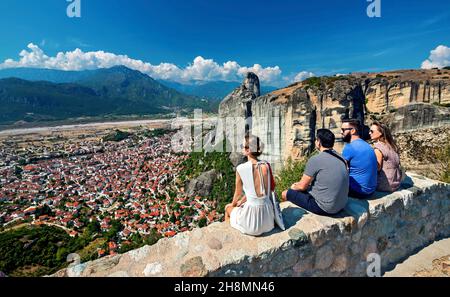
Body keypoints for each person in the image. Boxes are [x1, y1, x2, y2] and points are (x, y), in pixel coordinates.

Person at [281, 129, 349, 215]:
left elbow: (302, 186)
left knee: (286, 193)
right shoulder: (341, 157)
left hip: (325, 207)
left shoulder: (316, 159)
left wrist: (293, 187)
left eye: (316, 139)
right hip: (341, 204)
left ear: (319, 142)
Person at [225, 133, 275, 236]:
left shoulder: (241, 168)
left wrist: (233, 204)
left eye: (242, 146)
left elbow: (238, 193)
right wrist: (242, 202)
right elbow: (263, 190)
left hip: (252, 222)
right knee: (239, 207)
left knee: (227, 208)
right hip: (269, 219)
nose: (241, 148)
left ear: (248, 150)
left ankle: (229, 235)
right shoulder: (266, 165)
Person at [341, 119, 378, 199]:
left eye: (343, 130)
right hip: (371, 190)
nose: (341, 132)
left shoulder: (349, 147)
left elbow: (340, 170)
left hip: (358, 191)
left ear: (353, 131)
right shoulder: (368, 145)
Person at [370, 121, 402, 192]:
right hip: (396, 183)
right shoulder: (392, 146)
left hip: (384, 185)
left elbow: (377, 168)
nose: (369, 133)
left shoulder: (378, 147)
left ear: (380, 133)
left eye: (372, 131)